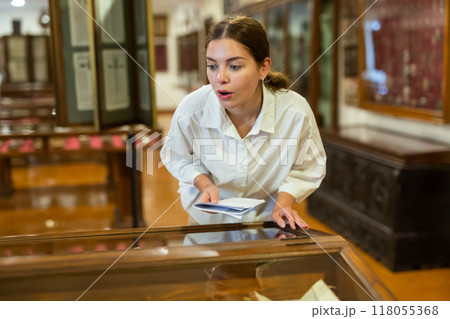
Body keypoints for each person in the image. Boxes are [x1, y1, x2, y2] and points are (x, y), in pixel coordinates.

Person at [161, 15, 326, 230]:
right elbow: (177, 157)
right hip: (207, 226)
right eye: (212, 66)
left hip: (266, 225)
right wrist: (204, 183)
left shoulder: (294, 112)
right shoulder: (192, 108)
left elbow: (307, 168)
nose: (220, 77)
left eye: (234, 67)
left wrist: (283, 204)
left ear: (263, 68)